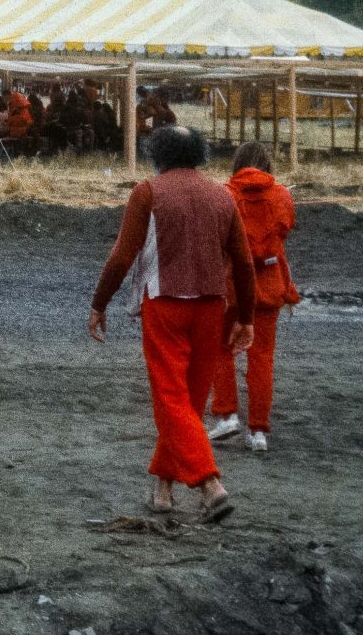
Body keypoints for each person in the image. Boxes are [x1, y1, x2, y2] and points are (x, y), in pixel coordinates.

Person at [89, 123, 255, 523]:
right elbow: (245, 263)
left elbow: (121, 256)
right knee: (189, 403)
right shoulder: (222, 195)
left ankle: (209, 483)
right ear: (199, 154)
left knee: (172, 399)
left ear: (157, 153)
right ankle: (162, 490)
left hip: (164, 305)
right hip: (212, 307)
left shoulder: (147, 192)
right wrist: (245, 317)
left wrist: (99, 303)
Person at [209, 142, 298, 451]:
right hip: (270, 283)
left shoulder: (224, 194)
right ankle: (258, 430)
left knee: (221, 350)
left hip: (232, 286)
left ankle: (226, 415)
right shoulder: (283, 196)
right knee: (262, 358)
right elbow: (285, 230)